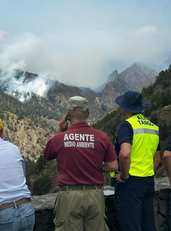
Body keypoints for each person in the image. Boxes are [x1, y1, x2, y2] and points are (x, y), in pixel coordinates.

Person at [43, 96, 118, 231]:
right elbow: (113, 166)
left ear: (68, 114)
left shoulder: (60, 138)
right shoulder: (101, 136)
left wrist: (61, 129)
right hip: (95, 195)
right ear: (88, 113)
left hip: (69, 196)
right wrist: (95, 165)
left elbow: (47, 155)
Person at [113, 91, 160, 231]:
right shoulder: (153, 127)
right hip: (148, 180)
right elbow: (157, 158)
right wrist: (148, 172)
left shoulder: (127, 125)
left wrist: (124, 176)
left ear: (125, 107)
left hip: (131, 182)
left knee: (130, 225)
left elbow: (125, 154)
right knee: (148, 224)